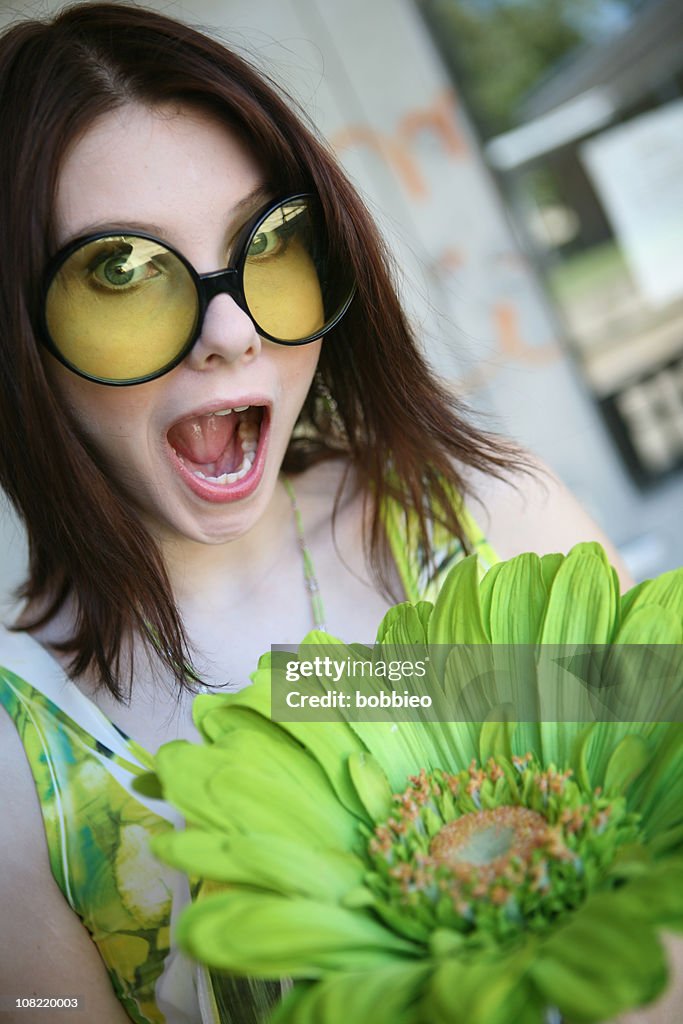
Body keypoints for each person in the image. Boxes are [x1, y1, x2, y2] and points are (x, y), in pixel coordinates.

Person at [0, 4, 671, 1024]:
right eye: (121, 271)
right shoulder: (21, 753)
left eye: (265, 240)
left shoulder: (492, 513)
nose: (230, 330)